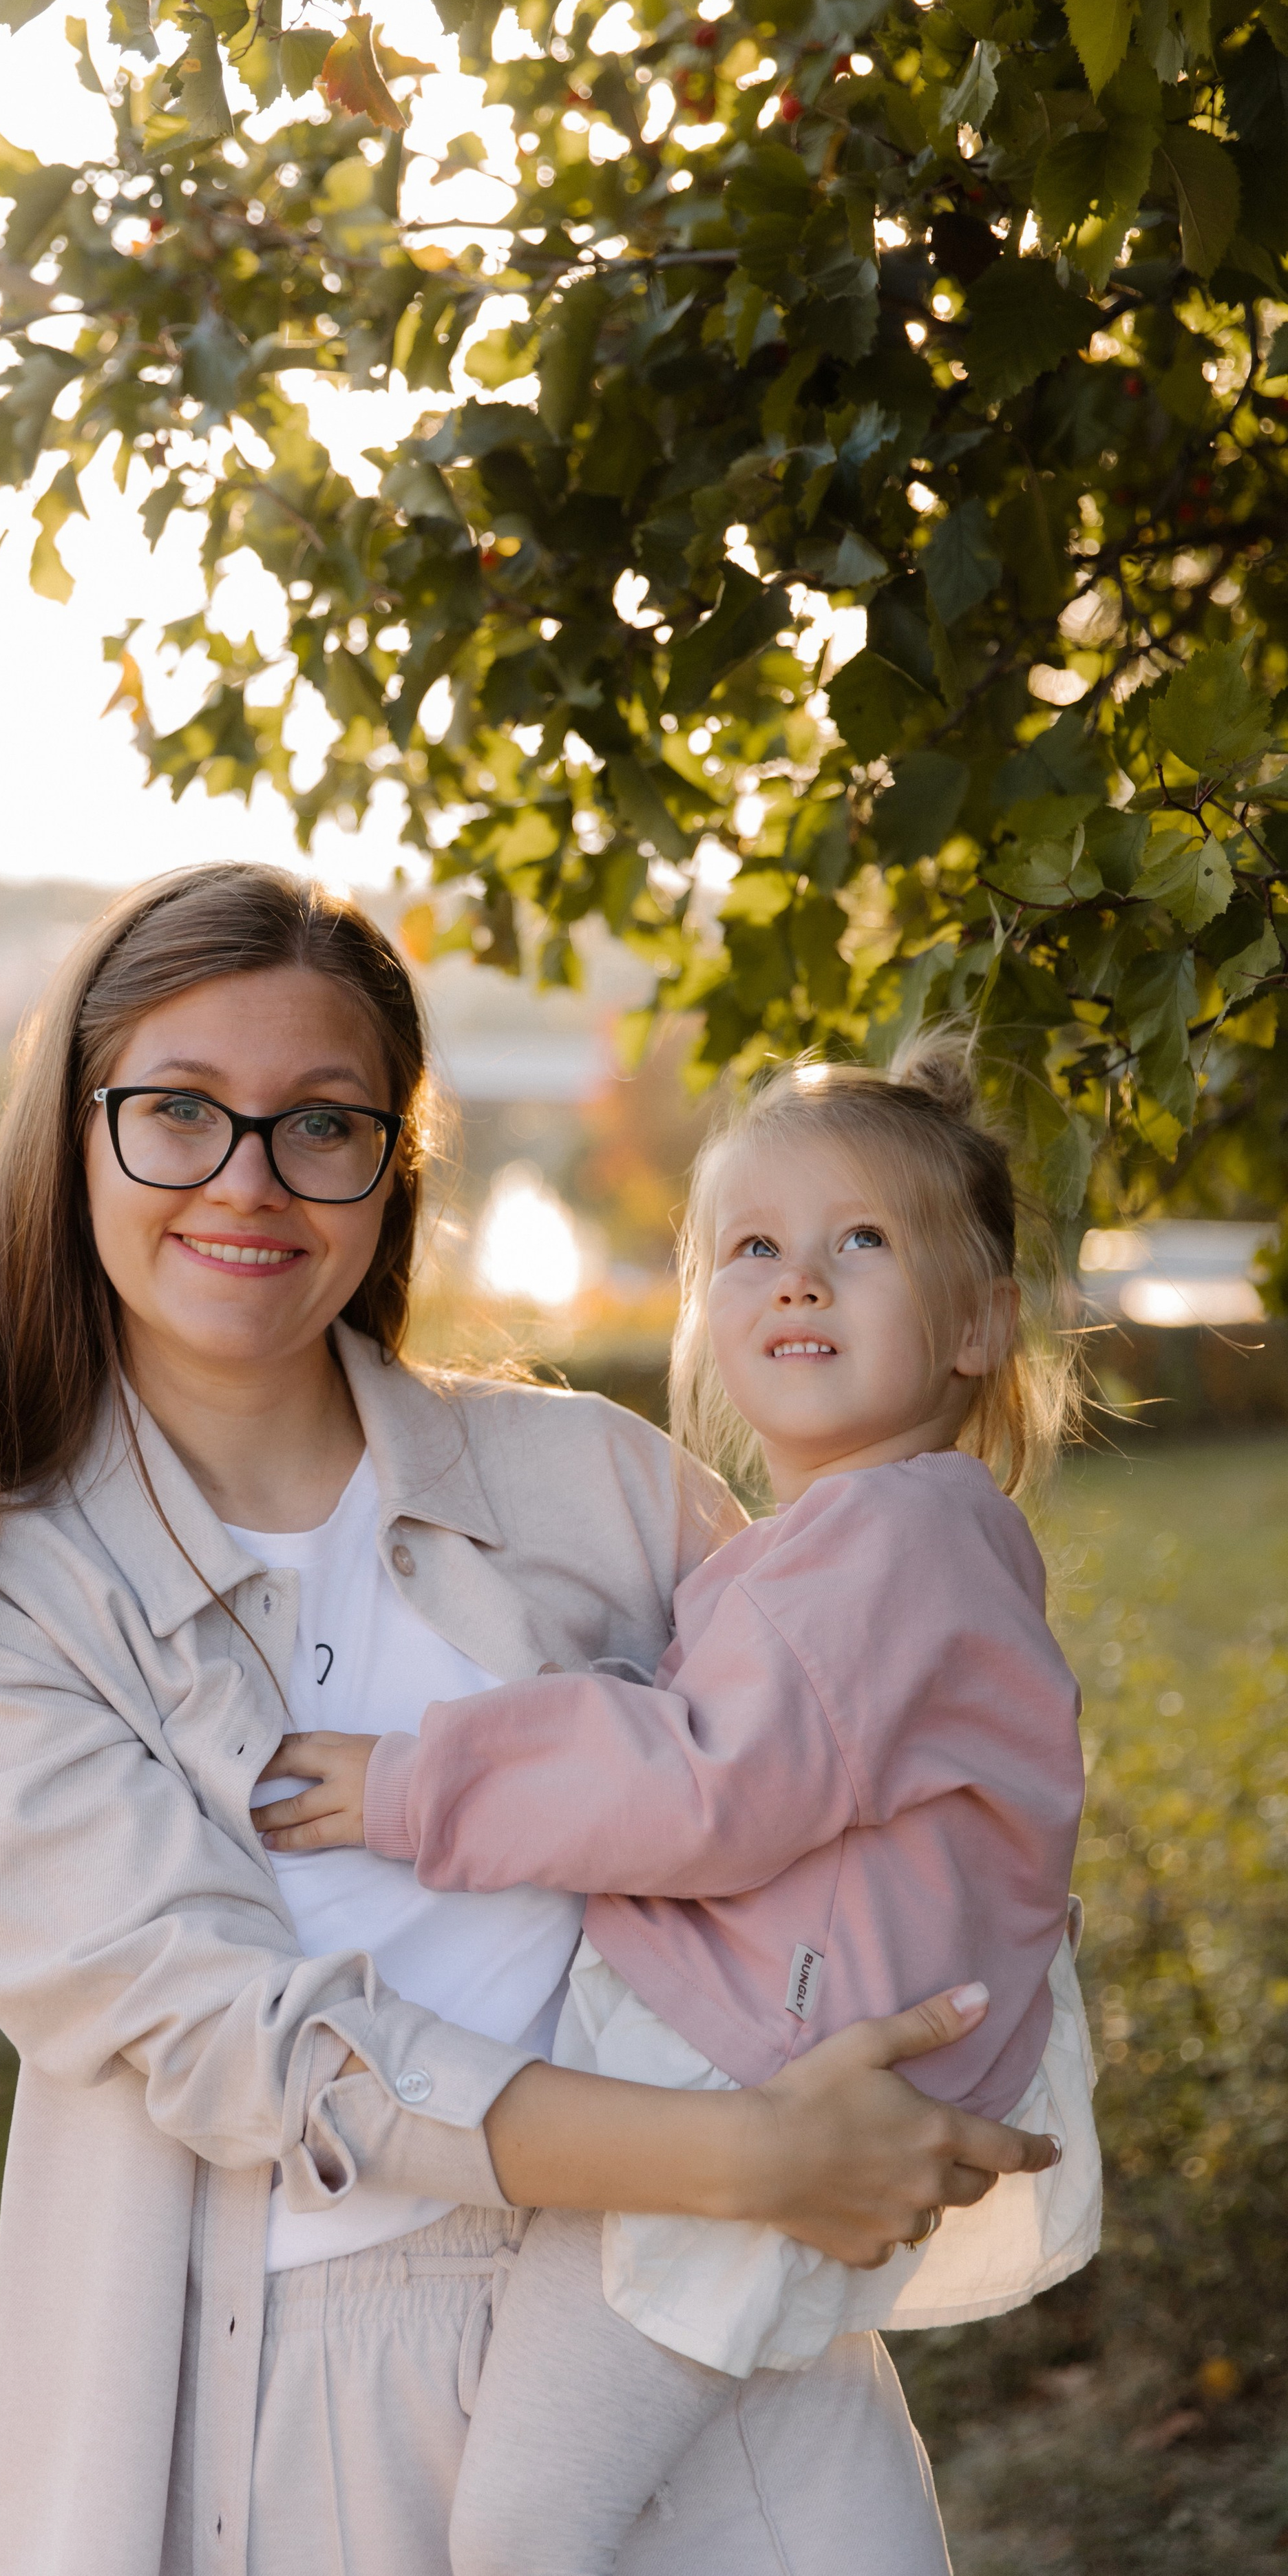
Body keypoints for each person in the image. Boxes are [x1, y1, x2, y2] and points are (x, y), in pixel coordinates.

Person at [0, 865, 1059, 2576]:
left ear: (390, 1168)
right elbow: (237, 2042)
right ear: (74, 1135)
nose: (247, 1181)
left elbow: (845, 1772)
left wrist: (903, 2080)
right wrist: (751, 2153)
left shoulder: (591, 1482)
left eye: (322, 1125)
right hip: (314, 2390)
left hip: (702, 2348)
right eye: (178, 1112)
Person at [257, 1039, 1100, 2576]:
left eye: (861, 1243)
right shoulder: (889, 1538)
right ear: (706, 1308)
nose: (797, 1282)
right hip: (806, 2060)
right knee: (807, 2498)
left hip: (743, 2086)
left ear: (981, 1324)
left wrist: (412, 1781)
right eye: (752, 1249)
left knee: (520, 2526)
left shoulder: (881, 1549)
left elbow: (707, 1785)